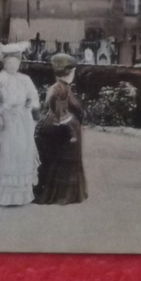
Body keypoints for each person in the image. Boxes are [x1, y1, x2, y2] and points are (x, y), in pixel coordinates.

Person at [0, 42, 41, 206]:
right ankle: (1, 194)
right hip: (5, 120)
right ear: (4, 63)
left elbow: (34, 96)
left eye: (16, 63)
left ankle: (21, 194)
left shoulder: (25, 79)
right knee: (5, 154)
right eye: (9, 62)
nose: (13, 65)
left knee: (21, 152)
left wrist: (32, 105)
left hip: (22, 121)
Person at [34, 53, 88, 205]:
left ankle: (66, 194)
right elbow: (60, 112)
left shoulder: (63, 88)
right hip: (63, 130)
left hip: (64, 128)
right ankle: (61, 194)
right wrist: (71, 131)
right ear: (69, 73)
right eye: (72, 72)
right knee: (62, 161)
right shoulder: (59, 89)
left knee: (64, 161)